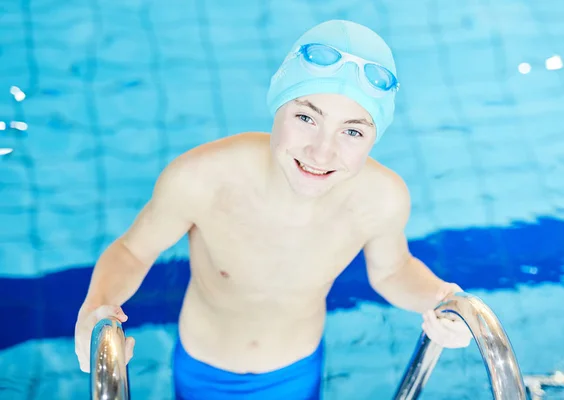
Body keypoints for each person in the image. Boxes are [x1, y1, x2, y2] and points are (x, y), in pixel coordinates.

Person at [74, 19, 472, 399]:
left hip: (296, 367)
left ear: (374, 138)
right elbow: (133, 251)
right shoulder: (203, 177)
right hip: (203, 365)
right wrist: (96, 306)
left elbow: (393, 271)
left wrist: (440, 299)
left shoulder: (381, 198)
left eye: (352, 131)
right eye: (305, 117)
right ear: (276, 108)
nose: (321, 151)